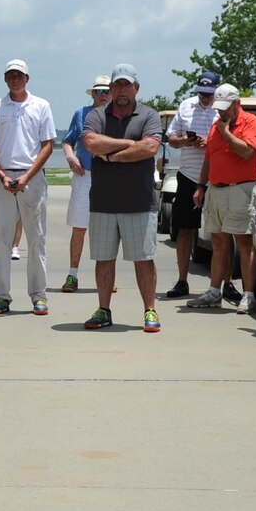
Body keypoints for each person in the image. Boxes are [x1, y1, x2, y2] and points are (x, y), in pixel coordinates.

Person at [80, 64, 165, 332]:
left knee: (144, 260)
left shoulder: (149, 115)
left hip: (139, 202)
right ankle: (104, 310)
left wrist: (110, 156)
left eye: (127, 85)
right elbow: (91, 142)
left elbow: (150, 147)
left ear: (136, 88)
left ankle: (150, 311)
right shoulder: (97, 114)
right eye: (117, 85)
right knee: (103, 260)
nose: (121, 90)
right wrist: (130, 144)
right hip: (103, 203)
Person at [0, 58, 53, 316]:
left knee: (36, 240)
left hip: (31, 179)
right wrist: (1, 175)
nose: (15, 79)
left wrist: (26, 176)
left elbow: (47, 145)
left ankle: (39, 296)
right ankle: (0, 297)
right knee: (1, 240)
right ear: (5, 79)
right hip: (2, 179)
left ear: (27, 79)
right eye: (10, 75)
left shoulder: (41, 105)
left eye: (19, 75)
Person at [186, 84, 256, 313]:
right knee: (218, 242)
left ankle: (249, 295)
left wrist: (226, 133)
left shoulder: (250, 122)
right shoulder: (216, 126)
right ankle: (214, 291)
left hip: (240, 190)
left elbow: (248, 151)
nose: (221, 113)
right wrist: (201, 186)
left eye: (225, 108)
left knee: (244, 242)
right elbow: (209, 158)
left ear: (237, 103)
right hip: (216, 190)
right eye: (219, 109)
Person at [163, 72, 220, 298]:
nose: (205, 98)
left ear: (216, 90)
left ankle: (223, 284)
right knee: (185, 230)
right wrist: (187, 141)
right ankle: (182, 280)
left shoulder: (223, 108)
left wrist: (210, 143)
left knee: (221, 233)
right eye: (202, 94)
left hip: (216, 176)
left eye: (209, 94)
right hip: (188, 175)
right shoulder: (186, 106)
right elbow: (171, 139)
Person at [60, 76, 110, 292]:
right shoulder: (81, 113)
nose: (103, 95)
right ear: (92, 93)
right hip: (84, 176)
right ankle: (72, 275)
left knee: (108, 229)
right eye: (98, 91)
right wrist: (71, 157)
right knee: (79, 228)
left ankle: (107, 277)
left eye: (106, 91)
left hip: (110, 179)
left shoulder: (118, 116)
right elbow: (68, 142)